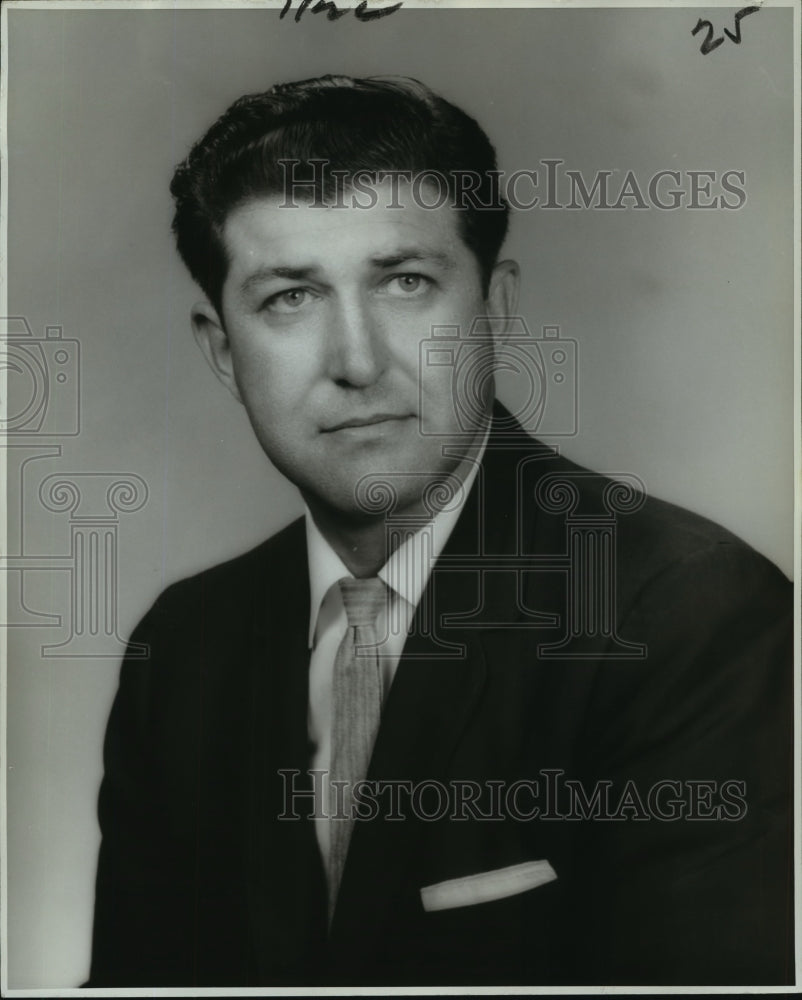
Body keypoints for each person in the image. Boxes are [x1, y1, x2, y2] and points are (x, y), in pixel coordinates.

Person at [87, 75, 794, 987]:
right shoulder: (183, 649)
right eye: (290, 299)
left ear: (493, 310)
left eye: (405, 283)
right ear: (224, 351)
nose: (356, 361)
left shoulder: (690, 616)